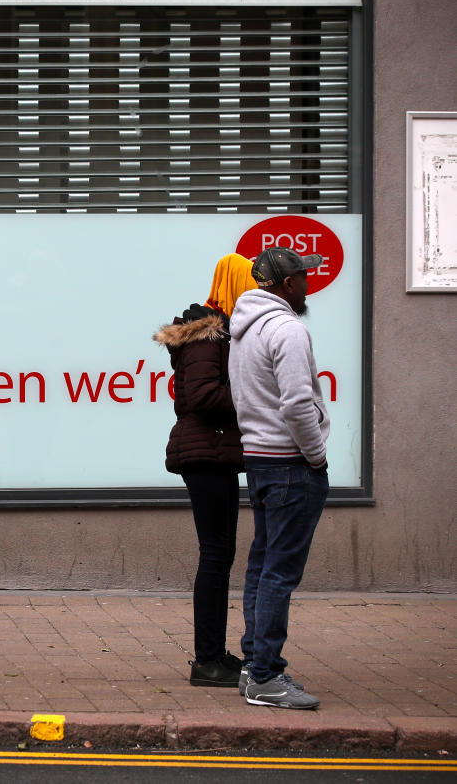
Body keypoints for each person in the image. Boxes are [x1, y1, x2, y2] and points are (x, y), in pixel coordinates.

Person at [229, 247, 329, 710]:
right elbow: (295, 403)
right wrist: (317, 455)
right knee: (279, 573)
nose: (309, 284)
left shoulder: (243, 331)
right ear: (287, 284)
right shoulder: (288, 329)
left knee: (262, 565)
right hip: (290, 463)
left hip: (261, 460)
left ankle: (255, 666)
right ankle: (266, 675)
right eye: (303, 278)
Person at [154, 253, 257, 687]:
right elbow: (201, 395)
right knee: (215, 554)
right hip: (205, 455)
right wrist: (255, 396)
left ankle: (214, 653)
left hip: (215, 454)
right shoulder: (207, 337)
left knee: (221, 553)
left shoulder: (222, 334)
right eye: (252, 283)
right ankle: (206, 660)